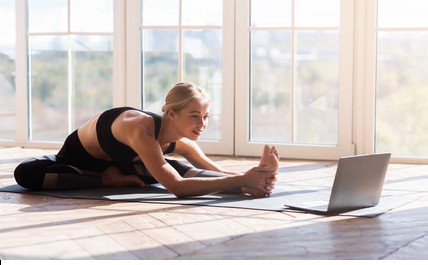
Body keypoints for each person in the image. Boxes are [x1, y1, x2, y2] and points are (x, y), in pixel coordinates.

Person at [14, 82, 279, 198]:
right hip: (77, 164)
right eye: (195, 116)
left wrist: (252, 178)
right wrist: (243, 179)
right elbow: (176, 188)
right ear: (171, 114)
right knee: (26, 173)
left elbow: (217, 173)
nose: (202, 124)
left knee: (177, 168)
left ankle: (252, 186)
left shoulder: (183, 142)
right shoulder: (140, 130)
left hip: (129, 164)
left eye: (206, 116)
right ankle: (107, 179)